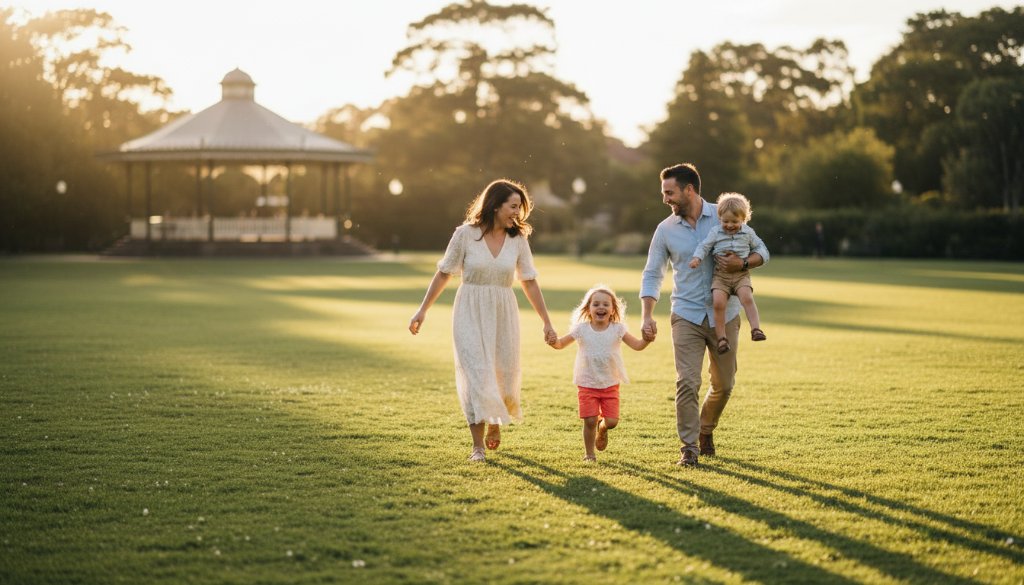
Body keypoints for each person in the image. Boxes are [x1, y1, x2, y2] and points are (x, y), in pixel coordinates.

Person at [409, 179, 557, 462]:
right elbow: (444, 272)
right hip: (469, 309)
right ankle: (476, 446)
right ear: (495, 205)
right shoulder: (465, 235)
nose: (518, 212)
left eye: (520, 207)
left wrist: (546, 322)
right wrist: (422, 310)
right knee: (475, 372)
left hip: (503, 310)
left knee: (501, 371)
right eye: (513, 206)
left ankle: (495, 421)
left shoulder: (518, 240)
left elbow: (529, 281)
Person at [640, 163, 770, 467]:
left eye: (669, 192)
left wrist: (743, 264)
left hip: (725, 316)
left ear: (689, 190)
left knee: (724, 384)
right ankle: (688, 448)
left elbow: (762, 252)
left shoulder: (727, 213)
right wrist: (647, 315)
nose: (665, 199)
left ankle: (706, 428)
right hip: (685, 313)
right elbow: (652, 274)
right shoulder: (665, 229)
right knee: (687, 382)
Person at [548, 285, 650, 462]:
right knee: (589, 421)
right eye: (596, 304)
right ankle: (589, 454)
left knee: (611, 422)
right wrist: (552, 341)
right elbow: (560, 344)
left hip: (610, 383)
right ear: (588, 309)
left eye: (605, 304)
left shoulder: (618, 329)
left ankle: (602, 429)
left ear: (612, 309)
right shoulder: (581, 329)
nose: (600, 307)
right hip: (587, 383)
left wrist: (647, 340)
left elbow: (637, 345)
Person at [688, 192, 767, 354]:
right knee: (718, 303)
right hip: (720, 276)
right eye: (725, 221)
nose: (730, 225)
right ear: (720, 218)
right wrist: (697, 258)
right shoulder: (716, 232)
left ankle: (756, 329)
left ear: (743, 219)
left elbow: (761, 248)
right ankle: (722, 338)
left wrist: (745, 262)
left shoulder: (748, 233)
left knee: (747, 298)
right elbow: (704, 246)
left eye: (735, 222)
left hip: (741, 275)